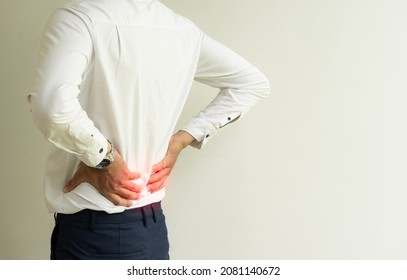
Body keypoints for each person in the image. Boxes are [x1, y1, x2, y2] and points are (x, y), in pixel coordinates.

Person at [28, 0, 270, 260]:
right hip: (151, 229)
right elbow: (252, 83)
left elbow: (51, 107)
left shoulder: (80, 17)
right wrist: (181, 140)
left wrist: (104, 159)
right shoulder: (182, 30)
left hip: (97, 232)